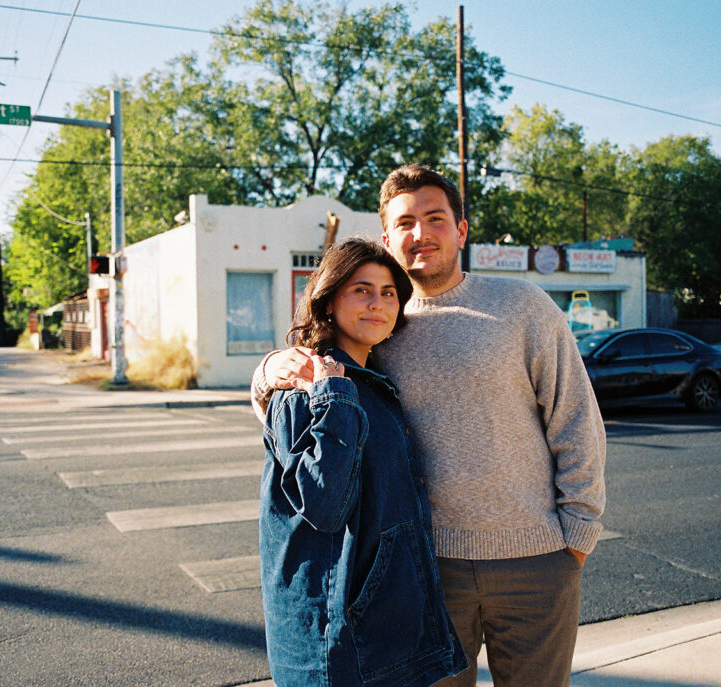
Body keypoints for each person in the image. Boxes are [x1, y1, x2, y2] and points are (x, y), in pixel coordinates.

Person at [253, 164, 606, 687]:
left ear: (461, 229)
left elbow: (576, 420)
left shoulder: (523, 307)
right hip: (424, 571)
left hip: (536, 563)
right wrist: (264, 375)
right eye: (405, 222)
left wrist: (575, 538)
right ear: (386, 237)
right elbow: (311, 409)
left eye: (435, 218)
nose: (420, 234)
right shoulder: (377, 325)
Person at [258, 237, 468, 687]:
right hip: (338, 636)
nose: (377, 303)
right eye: (361, 290)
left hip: (382, 625)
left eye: (388, 292)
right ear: (329, 300)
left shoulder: (370, 380)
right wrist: (332, 395)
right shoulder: (305, 385)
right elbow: (325, 505)